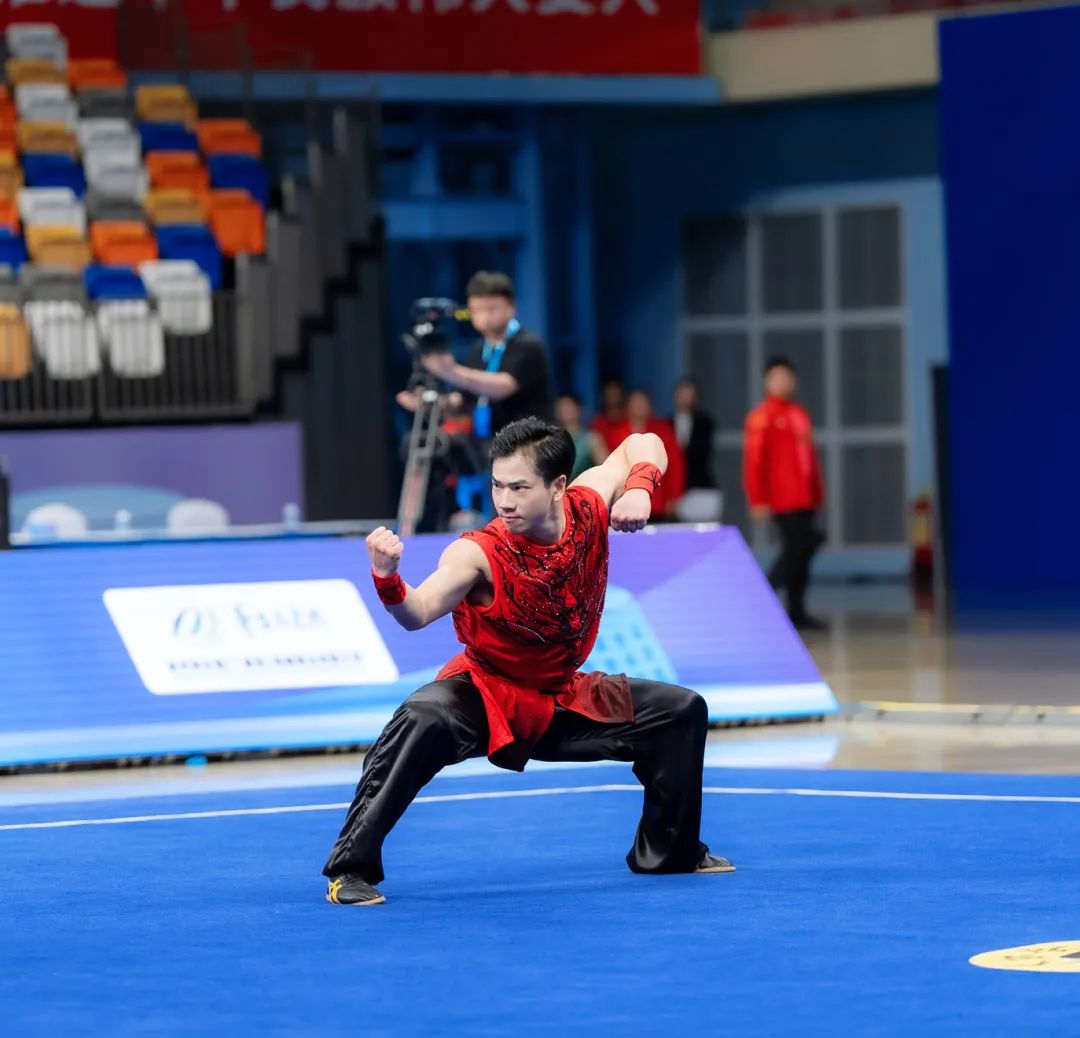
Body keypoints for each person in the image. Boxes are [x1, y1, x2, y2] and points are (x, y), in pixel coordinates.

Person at [323, 417, 735, 906]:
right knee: (421, 716)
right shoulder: (477, 553)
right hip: (486, 695)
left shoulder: (588, 504)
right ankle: (349, 869)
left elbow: (642, 443)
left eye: (519, 487)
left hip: (562, 697)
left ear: (558, 486)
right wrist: (386, 577)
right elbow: (418, 612)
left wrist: (641, 488)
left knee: (680, 711)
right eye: (497, 485)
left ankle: (668, 851)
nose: (505, 500)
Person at [743, 357, 827, 631]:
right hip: (782, 498)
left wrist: (817, 493)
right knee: (795, 550)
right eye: (777, 377)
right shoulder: (761, 417)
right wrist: (758, 499)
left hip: (805, 497)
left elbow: (809, 458)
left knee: (803, 553)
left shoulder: (798, 413)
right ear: (767, 382)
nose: (783, 382)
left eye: (787, 377)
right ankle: (760, 598)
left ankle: (797, 610)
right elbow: (754, 462)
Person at [610, 389, 685, 520]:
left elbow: (675, 466)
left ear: (650, 407)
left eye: (643, 403)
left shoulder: (664, 430)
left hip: (658, 501)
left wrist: (674, 497)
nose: (639, 407)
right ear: (627, 407)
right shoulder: (616, 433)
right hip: (625, 500)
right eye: (636, 403)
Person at [673, 377, 716, 491]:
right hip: (673, 486)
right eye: (683, 394)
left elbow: (702, 453)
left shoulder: (704, 423)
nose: (685, 399)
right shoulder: (667, 424)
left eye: (689, 394)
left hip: (699, 484)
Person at [554, 392, 607, 481]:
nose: (563, 410)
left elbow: (606, 471)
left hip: (584, 487)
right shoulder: (553, 441)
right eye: (560, 407)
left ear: (579, 409)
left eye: (568, 406)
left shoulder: (592, 439)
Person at [590, 378, 625, 454]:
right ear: (603, 395)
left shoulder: (630, 419)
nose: (612, 395)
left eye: (615, 392)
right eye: (609, 392)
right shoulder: (597, 423)